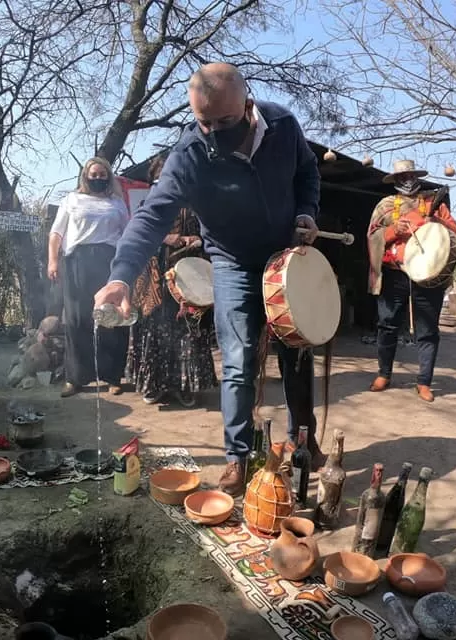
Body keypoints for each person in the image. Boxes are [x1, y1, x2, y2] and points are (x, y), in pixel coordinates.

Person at [93, 62, 323, 496]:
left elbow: (307, 172)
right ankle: (237, 457)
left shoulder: (284, 126)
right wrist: (120, 276)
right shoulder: (189, 155)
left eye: (226, 121)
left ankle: (303, 439)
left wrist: (306, 212)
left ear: (248, 105)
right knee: (237, 360)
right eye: (205, 122)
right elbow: (151, 218)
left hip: (287, 257)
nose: (215, 131)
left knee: (298, 352)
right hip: (233, 261)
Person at [127, 153, 217, 407]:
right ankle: (154, 385)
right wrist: (165, 238)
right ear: (156, 176)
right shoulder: (150, 202)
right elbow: (139, 233)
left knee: (187, 330)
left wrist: (197, 240)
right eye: (163, 172)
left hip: (190, 279)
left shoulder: (200, 202)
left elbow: (213, 235)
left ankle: (185, 387)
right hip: (157, 279)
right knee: (155, 329)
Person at [366, 160, 456, 403]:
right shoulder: (385, 206)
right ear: (395, 180)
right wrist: (393, 230)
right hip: (394, 273)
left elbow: (454, 231)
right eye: (402, 176)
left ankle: (424, 381)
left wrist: (434, 222)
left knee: (427, 329)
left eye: (410, 175)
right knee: (387, 324)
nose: (407, 179)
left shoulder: (433, 204)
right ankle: (384, 374)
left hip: (428, 276)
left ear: (417, 176)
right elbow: (372, 237)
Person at [48, 157, 131, 398]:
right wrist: (53, 261)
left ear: (109, 176)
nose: (97, 178)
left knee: (112, 318)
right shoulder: (71, 200)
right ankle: (76, 378)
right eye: (93, 174)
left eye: (102, 174)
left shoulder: (116, 203)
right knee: (76, 320)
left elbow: (126, 234)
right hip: (77, 263)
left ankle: (113, 377)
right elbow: (56, 233)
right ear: (85, 176)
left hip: (109, 261)